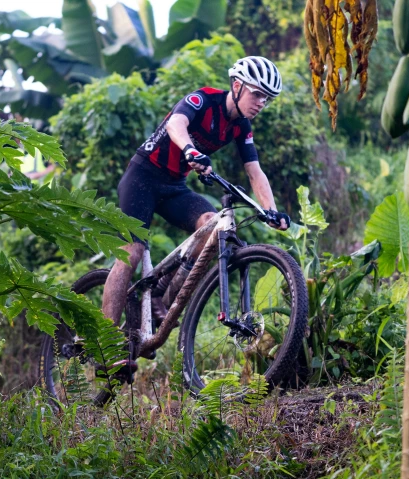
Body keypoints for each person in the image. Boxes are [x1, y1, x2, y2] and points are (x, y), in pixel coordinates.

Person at [100, 56, 292, 376]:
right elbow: (176, 124)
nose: (261, 103)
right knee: (131, 253)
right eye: (257, 94)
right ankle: (105, 342)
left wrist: (269, 210)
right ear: (237, 86)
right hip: (142, 177)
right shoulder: (203, 98)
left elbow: (254, 171)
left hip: (174, 186)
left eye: (267, 98)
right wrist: (190, 150)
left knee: (212, 226)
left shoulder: (242, 126)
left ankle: (163, 296)